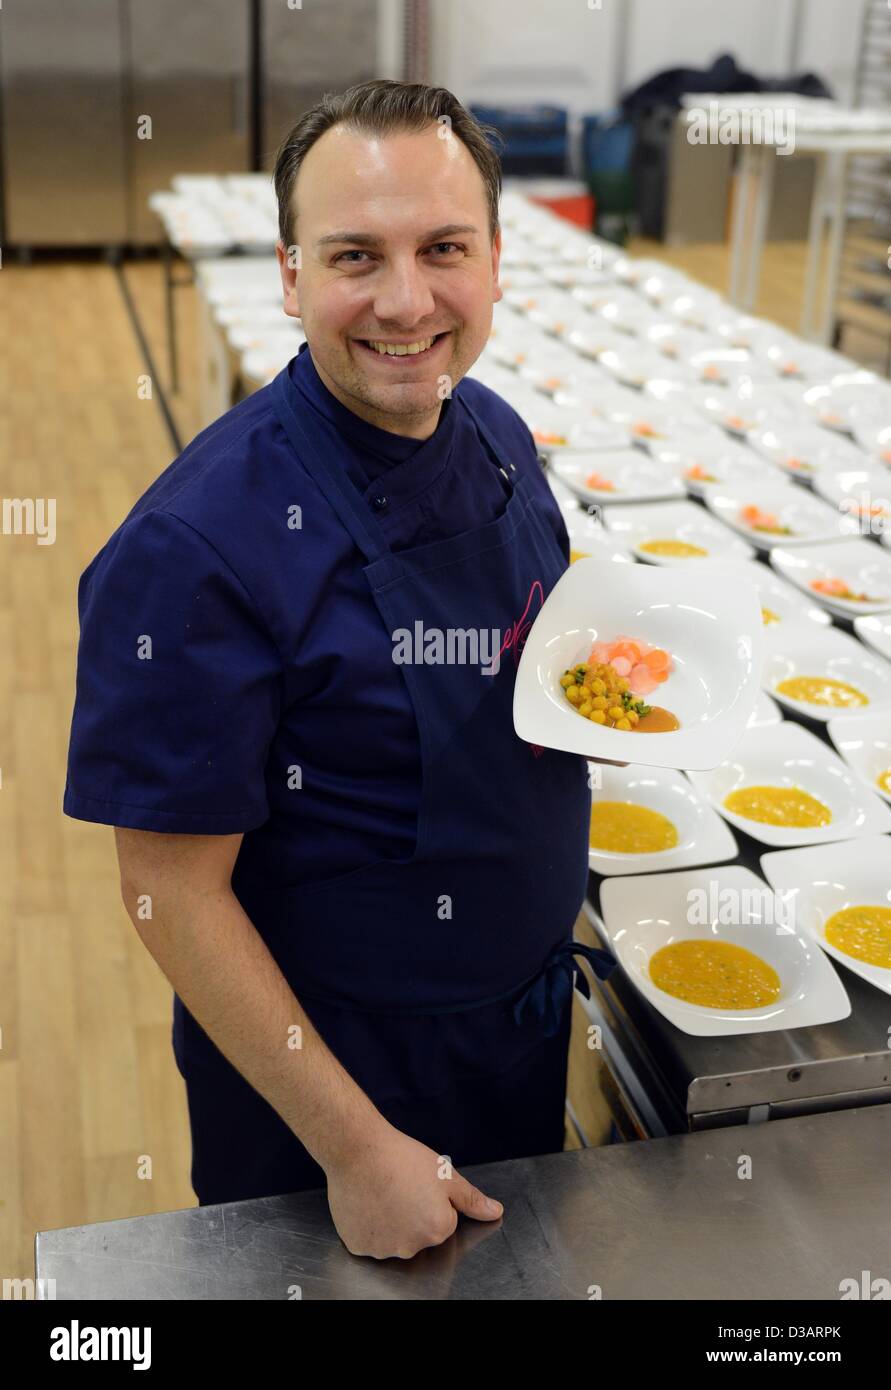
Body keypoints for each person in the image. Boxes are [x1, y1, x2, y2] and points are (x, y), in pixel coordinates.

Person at [62, 79, 614, 1260]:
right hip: (335, 1095)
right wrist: (356, 1147)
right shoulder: (194, 550)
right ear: (292, 273)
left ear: (500, 260)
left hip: (517, 1033)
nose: (407, 301)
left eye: (445, 249)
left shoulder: (501, 438)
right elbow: (170, 892)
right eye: (356, 255)